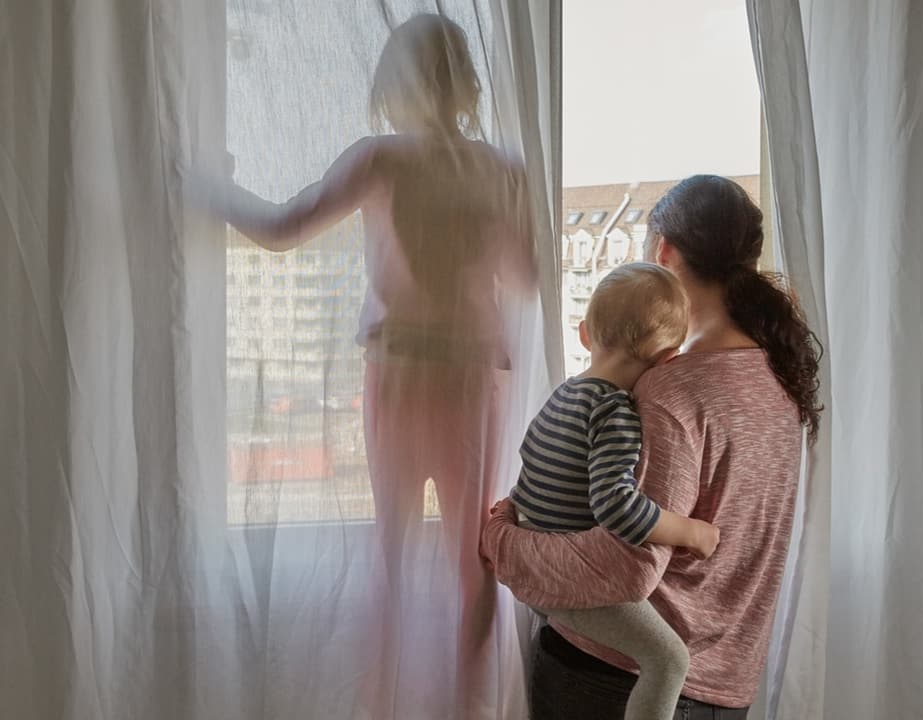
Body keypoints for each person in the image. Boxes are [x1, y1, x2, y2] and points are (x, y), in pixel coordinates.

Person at [185, 13, 536, 717]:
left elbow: (282, 229)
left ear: (391, 84)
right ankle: (469, 711)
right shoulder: (502, 170)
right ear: (464, 84)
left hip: (403, 373)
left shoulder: (381, 159)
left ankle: (382, 708)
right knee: (472, 563)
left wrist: (204, 186)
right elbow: (525, 277)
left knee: (390, 557)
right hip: (472, 379)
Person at [482, 175, 822, 719]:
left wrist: (500, 541)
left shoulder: (670, 389)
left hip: (615, 682)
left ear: (663, 252)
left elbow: (624, 567)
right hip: (727, 689)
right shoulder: (779, 375)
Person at [507, 261, 720, 720]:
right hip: (563, 582)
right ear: (668, 360)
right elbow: (616, 507)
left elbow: (530, 466)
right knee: (668, 660)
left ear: (584, 334)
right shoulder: (615, 412)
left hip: (533, 564)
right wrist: (691, 532)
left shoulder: (563, 394)